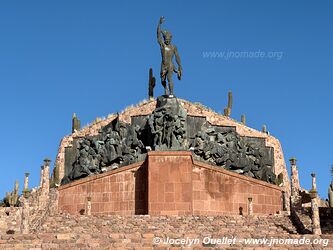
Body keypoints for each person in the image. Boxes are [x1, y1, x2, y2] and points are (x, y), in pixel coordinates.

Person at [157, 16, 182, 96]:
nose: (167, 41)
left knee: (170, 79)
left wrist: (179, 65)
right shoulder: (162, 45)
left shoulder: (173, 47)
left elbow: (177, 56)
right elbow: (158, 35)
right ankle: (166, 89)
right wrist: (159, 24)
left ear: (170, 39)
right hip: (163, 65)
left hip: (170, 64)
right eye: (166, 40)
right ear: (164, 39)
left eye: (168, 40)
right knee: (162, 80)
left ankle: (171, 93)